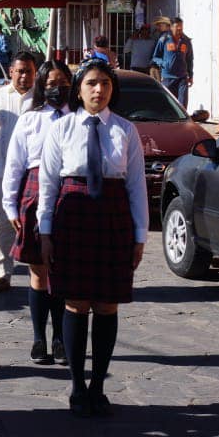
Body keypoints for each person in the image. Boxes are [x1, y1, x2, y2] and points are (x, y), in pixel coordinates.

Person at [37, 59, 148, 418]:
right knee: (76, 302)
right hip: (73, 218)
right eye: (91, 83)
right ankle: (76, 385)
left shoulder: (125, 130)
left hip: (112, 219)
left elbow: (136, 186)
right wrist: (46, 230)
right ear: (79, 89)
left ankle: (98, 386)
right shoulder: (62, 129)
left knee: (106, 304)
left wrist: (139, 235)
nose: (98, 90)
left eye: (104, 83)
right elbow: (48, 183)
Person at [1, 60, 72, 367]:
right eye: (52, 83)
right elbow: (14, 164)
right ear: (42, 86)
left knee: (61, 270)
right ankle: (38, 338)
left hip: (68, 196)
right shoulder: (30, 120)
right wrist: (10, 204)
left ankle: (60, 337)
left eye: (64, 83)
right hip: (33, 193)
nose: (59, 89)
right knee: (38, 271)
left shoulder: (79, 119)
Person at [0, 50, 38, 294]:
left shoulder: (41, 99)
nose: (24, 76)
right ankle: (3, 273)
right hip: (3, 172)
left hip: (34, 173)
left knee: (36, 223)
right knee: (4, 223)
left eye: (29, 72)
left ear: (35, 73)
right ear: (11, 71)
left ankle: (41, 273)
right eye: (20, 71)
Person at [152, 17, 194, 109]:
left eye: (181, 28)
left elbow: (189, 59)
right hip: (167, 78)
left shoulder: (186, 41)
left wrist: (190, 75)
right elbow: (155, 57)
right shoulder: (164, 39)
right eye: (177, 27)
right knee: (168, 105)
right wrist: (163, 63)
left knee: (182, 105)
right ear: (171, 27)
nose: (179, 29)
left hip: (182, 78)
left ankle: (181, 123)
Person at [148, 17, 171, 82]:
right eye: (157, 25)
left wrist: (162, 63)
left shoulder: (166, 37)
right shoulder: (161, 36)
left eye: (160, 25)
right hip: (156, 66)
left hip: (160, 67)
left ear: (167, 26)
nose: (158, 27)